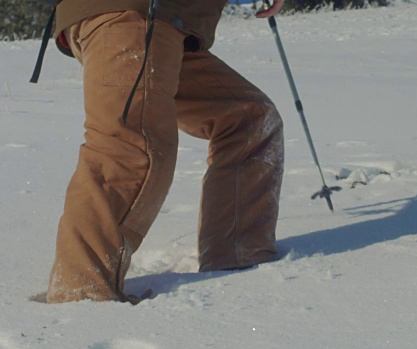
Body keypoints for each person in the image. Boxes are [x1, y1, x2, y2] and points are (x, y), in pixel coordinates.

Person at [45, 0, 285, 304]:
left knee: (250, 119)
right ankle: (81, 298)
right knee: (130, 150)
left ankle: (239, 261)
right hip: (134, 14)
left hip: (166, 21)